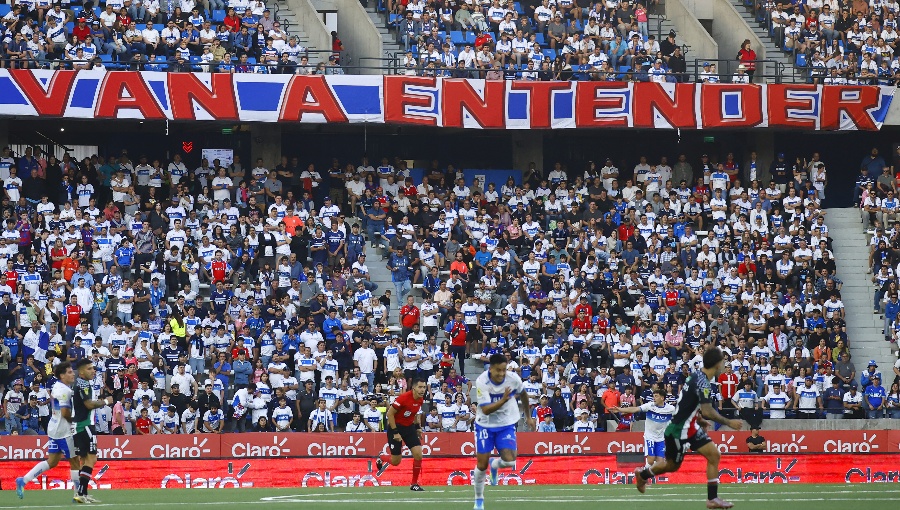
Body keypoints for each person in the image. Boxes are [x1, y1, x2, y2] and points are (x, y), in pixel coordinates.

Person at [634, 348, 743, 509]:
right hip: (679, 430)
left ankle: (712, 498)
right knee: (672, 466)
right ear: (718, 364)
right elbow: (708, 411)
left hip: (690, 426)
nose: (723, 366)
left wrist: (698, 419)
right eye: (722, 362)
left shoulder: (696, 376)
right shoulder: (702, 382)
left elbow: (686, 402)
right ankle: (643, 474)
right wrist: (729, 422)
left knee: (714, 455)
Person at [472, 353, 535, 510]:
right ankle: (479, 499)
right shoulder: (482, 381)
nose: (501, 374)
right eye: (498, 370)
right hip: (485, 425)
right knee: (481, 464)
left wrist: (528, 417)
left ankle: (495, 465)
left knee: (509, 461)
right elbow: (485, 410)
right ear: (491, 368)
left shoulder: (513, 378)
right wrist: (504, 399)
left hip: (506, 424)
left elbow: (524, 395)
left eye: (504, 370)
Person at [16, 362, 80, 500]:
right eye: (69, 372)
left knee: (52, 462)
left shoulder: (57, 386)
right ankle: (78, 494)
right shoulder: (65, 391)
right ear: (62, 375)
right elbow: (65, 412)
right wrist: (77, 423)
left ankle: (24, 480)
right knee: (75, 461)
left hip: (54, 428)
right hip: (64, 431)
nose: (73, 373)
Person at [72, 358, 114, 503]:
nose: (93, 371)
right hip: (85, 425)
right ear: (82, 371)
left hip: (78, 425)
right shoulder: (83, 384)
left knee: (84, 460)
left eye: (93, 368)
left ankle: (81, 493)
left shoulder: (78, 383)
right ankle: (81, 492)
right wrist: (107, 401)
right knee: (92, 458)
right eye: (90, 369)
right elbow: (89, 405)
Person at [375, 379, 428, 491]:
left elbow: (413, 413)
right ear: (414, 388)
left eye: (424, 387)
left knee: (418, 454)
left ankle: (414, 484)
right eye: (420, 387)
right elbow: (389, 414)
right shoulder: (403, 398)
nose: (422, 389)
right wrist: (395, 432)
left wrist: (417, 427)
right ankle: (381, 457)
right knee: (396, 461)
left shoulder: (420, 400)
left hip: (409, 428)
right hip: (396, 427)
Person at [611, 387, 675, 466]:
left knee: (661, 462)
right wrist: (620, 410)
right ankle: (645, 473)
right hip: (650, 437)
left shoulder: (671, 409)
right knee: (651, 460)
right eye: (653, 396)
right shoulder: (649, 406)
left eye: (656, 396)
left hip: (661, 438)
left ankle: (648, 473)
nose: (654, 398)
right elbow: (635, 409)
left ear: (662, 398)